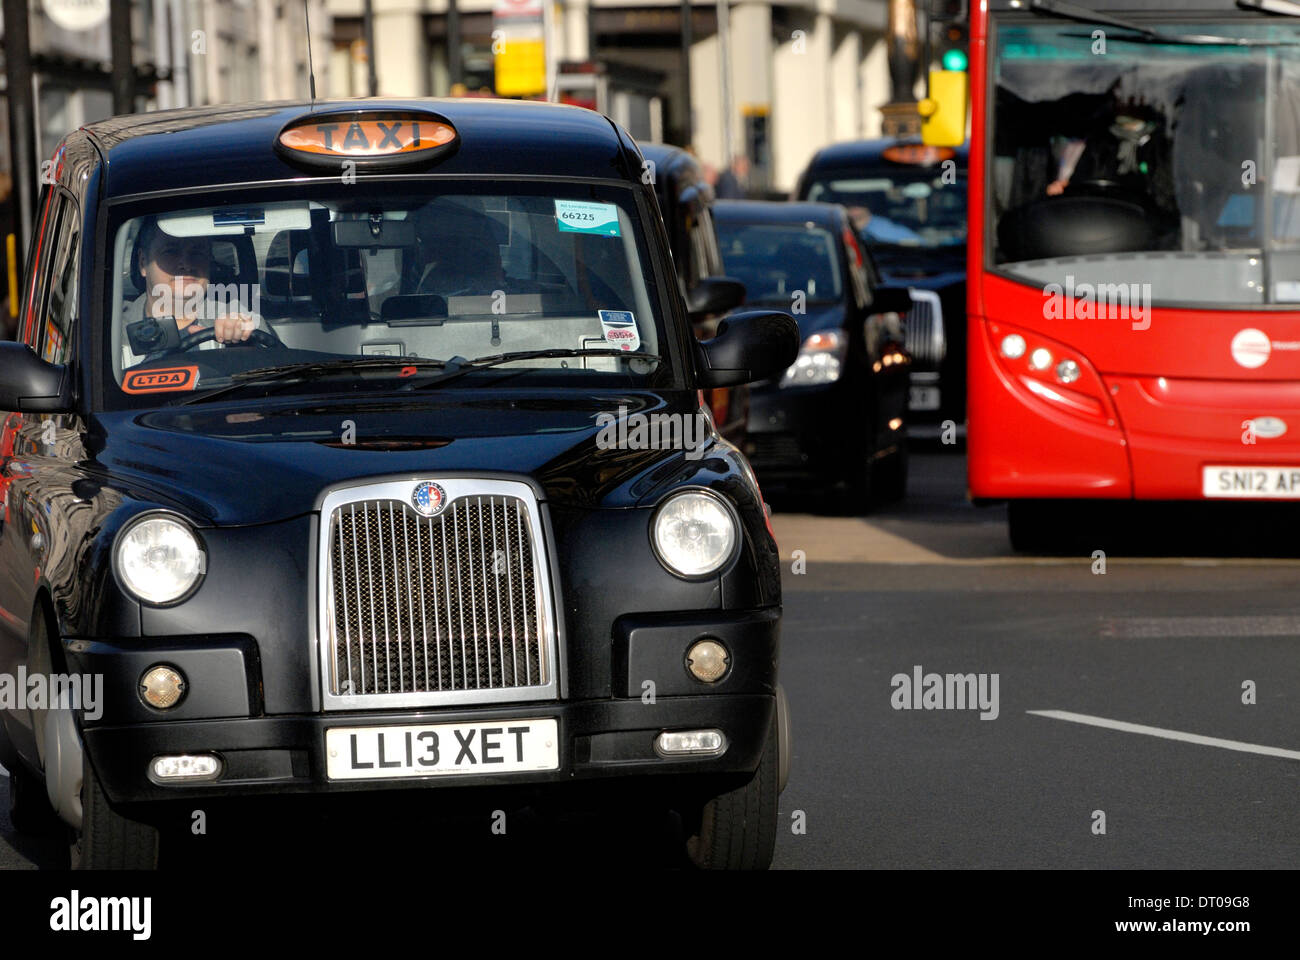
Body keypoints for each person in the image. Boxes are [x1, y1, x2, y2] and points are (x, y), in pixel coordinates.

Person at [121, 217, 269, 369]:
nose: (186, 264)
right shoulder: (113, 332)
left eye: (197, 253)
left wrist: (247, 344)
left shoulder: (241, 317)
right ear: (143, 262)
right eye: (171, 251)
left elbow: (277, 377)